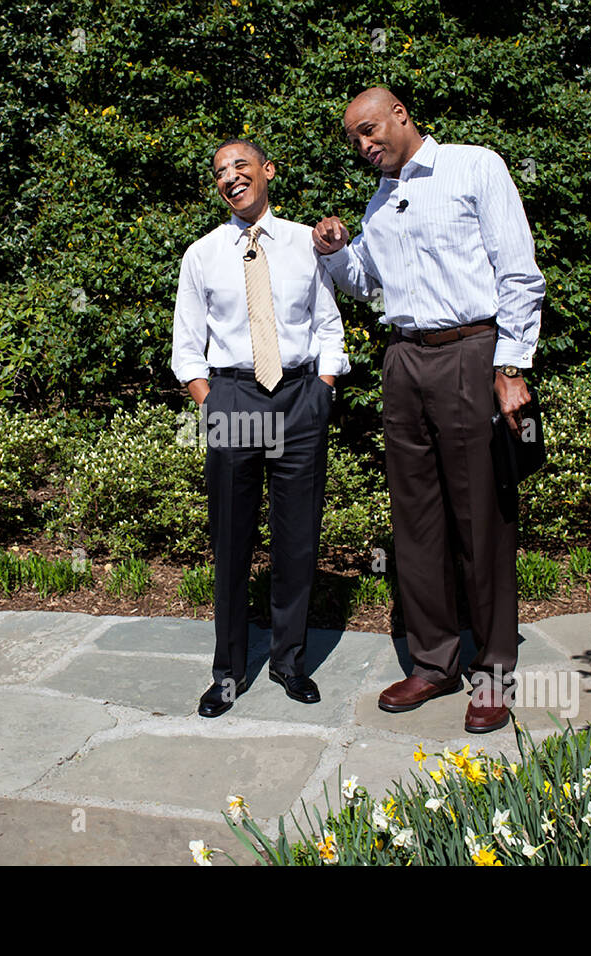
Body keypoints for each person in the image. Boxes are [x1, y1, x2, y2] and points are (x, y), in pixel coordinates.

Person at [312, 87, 545, 734]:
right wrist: (335, 251)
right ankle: (435, 661)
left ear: (400, 116)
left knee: (483, 519)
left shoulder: (475, 167)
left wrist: (511, 366)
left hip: (472, 352)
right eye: (354, 140)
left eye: (369, 130)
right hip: (404, 362)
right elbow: (366, 282)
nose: (364, 146)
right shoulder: (380, 202)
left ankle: (493, 671)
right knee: (415, 521)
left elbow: (519, 273)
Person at [172, 138, 350, 718]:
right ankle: (228, 672)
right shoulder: (200, 254)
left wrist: (322, 389)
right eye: (220, 172)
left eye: (240, 166)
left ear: (267, 171)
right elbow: (186, 349)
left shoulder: (306, 242)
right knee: (231, 540)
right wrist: (213, 401)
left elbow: (328, 323)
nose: (230, 177)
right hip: (234, 398)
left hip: (300, 398)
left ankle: (289, 661)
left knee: (297, 538)